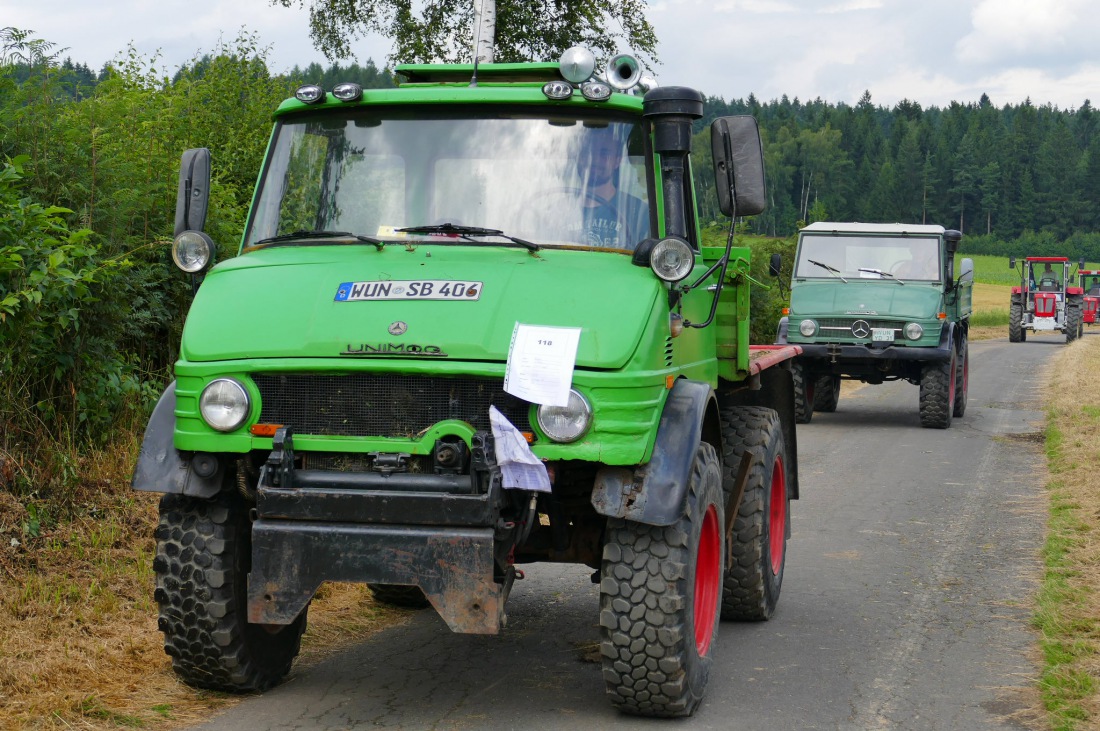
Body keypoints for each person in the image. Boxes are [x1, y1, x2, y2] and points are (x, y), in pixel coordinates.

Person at [575, 129, 649, 249]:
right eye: (588, 152)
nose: (594, 160)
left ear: (617, 161)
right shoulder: (558, 210)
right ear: (579, 157)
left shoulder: (640, 213)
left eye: (604, 154)